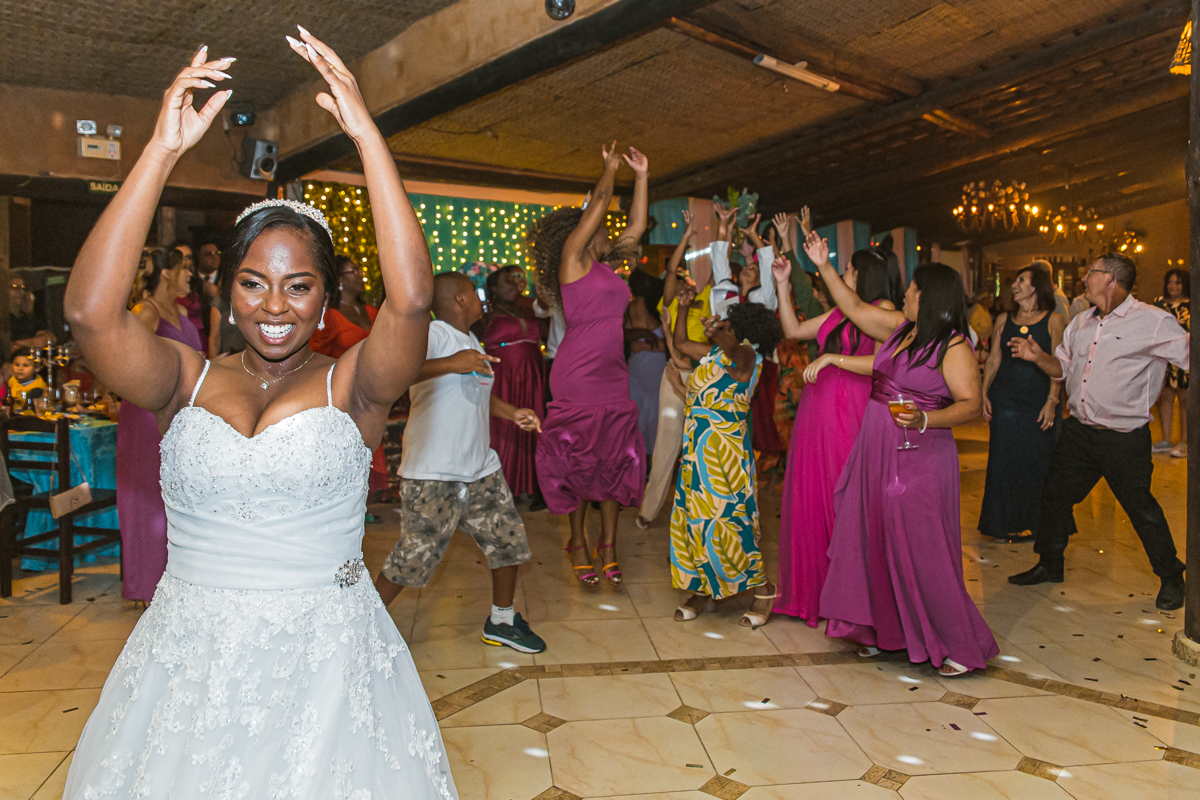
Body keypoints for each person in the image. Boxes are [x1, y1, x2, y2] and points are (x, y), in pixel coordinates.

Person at [60, 34, 456, 798]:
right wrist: (161, 152)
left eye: (299, 286)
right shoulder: (183, 379)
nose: (275, 306)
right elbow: (89, 313)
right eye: (253, 283)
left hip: (326, 670)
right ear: (228, 290)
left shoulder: (354, 386)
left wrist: (367, 138)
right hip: (188, 667)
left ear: (327, 296)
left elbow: (410, 300)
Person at [804, 232, 996, 677]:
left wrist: (927, 418)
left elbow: (970, 404)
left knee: (922, 548)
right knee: (873, 538)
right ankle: (881, 631)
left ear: (928, 297)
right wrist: (824, 266)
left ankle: (957, 644)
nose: (905, 294)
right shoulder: (903, 331)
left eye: (912, 289)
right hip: (876, 447)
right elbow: (855, 311)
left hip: (920, 454)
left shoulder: (953, 346)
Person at [375, 272, 545, 653]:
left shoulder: (471, 341)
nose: (480, 298)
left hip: (480, 467)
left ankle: (502, 621)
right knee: (413, 557)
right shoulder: (433, 334)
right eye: (473, 292)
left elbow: (475, 395)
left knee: (507, 541)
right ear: (459, 300)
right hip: (434, 471)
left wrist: (512, 412)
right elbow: (398, 371)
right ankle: (362, 625)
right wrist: (453, 362)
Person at [1008, 253, 1188, 611]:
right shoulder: (1081, 322)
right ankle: (1050, 563)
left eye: (1091, 272)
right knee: (1055, 495)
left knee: (1141, 509)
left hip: (1124, 437)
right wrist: (1036, 356)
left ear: (1111, 279)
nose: (1084, 278)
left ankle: (1171, 578)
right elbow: (1061, 368)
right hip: (1080, 432)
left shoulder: (1153, 321)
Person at [532, 142, 648, 587]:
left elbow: (637, 225)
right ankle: (578, 541)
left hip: (613, 374)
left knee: (614, 457)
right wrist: (609, 169)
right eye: (599, 227)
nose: (608, 231)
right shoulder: (573, 261)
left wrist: (642, 175)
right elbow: (599, 201)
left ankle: (609, 545)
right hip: (577, 374)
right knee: (579, 461)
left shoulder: (608, 268)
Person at [770, 244, 896, 626]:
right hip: (816, 411)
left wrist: (832, 359)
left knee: (843, 499)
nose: (844, 274)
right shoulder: (841, 310)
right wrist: (781, 285)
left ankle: (849, 599)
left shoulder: (884, 309)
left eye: (850, 269)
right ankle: (814, 594)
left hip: (849, 410)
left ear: (865, 274)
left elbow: (882, 363)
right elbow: (793, 330)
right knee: (812, 495)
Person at [669, 293, 782, 627]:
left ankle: (763, 589)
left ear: (740, 329)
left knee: (728, 522)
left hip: (724, 454)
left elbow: (739, 364)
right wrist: (683, 308)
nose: (723, 327)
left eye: (728, 324)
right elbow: (680, 344)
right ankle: (703, 588)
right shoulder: (714, 354)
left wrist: (718, 335)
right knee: (693, 521)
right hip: (695, 448)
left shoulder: (749, 355)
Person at [116, 246, 203, 603]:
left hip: (183, 416)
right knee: (149, 501)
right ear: (166, 273)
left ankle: (179, 582)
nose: (191, 274)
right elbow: (121, 359)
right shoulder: (145, 312)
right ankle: (148, 587)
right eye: (185, 267)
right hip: (148, 417)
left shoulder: (181, 312)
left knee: (178, 499)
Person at [978, 266, 1066, 542]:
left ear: (1036, 287)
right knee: (1002, 463)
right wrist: (983, 392)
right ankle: (1001, 525)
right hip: (1005, 400)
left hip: (1039, 401)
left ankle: (1037, 525)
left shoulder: (1054, 321)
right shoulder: (1004, 319)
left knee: (1038, 463)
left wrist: (1052, 401)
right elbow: (994, 358)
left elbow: (1059, 366)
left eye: (1021, 280)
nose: (1014, 285)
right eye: (1015, 280)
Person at [635, 209, 709, 529]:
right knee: (666, 444)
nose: (679, 285)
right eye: (675, 283)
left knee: (703, 446)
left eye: (683, 281)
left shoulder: (707, 301)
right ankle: (648, 510)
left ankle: (702, 511)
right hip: (674, 377)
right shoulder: (670, 306)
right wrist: (685, 237)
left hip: (704, 379)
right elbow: (669, 270)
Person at [310, 256, 389, 494]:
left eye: (359, 270)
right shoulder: (330, 316)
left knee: (367, 450)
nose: (360, 275)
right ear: (339, 280)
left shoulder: (372, 312)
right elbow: (316, 353)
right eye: (353, 271)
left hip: (370, 393)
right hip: (340, 394)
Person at [482, 264, 546, 502]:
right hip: (504, 375)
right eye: (507, 281)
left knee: (533, 423)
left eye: (515, 280)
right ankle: (504, 485)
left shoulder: (529, 308)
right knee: (505, 426)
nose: (513, 285)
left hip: (532, 375)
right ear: (494, 289)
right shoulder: (487, 313)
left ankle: (535, 485)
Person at [626, 268, 667, 456]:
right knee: (654, 413)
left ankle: (636, 457)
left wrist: (642, 343)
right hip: (653, 365)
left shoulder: (631, 307)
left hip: (637, 364)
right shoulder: (651, 305)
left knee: (638, 413)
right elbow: (668, 345)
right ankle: (651, 458)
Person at [1152, 268, 1189, 458]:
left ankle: (1185, 441)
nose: (1173, 286)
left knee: (1185, 399)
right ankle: (1165, 439)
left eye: (1177, 282)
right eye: (1170, 282)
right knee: (1165, 397)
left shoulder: (1191, 304)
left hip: (1185, 355)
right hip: (1165, 356)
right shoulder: (1159, 304)